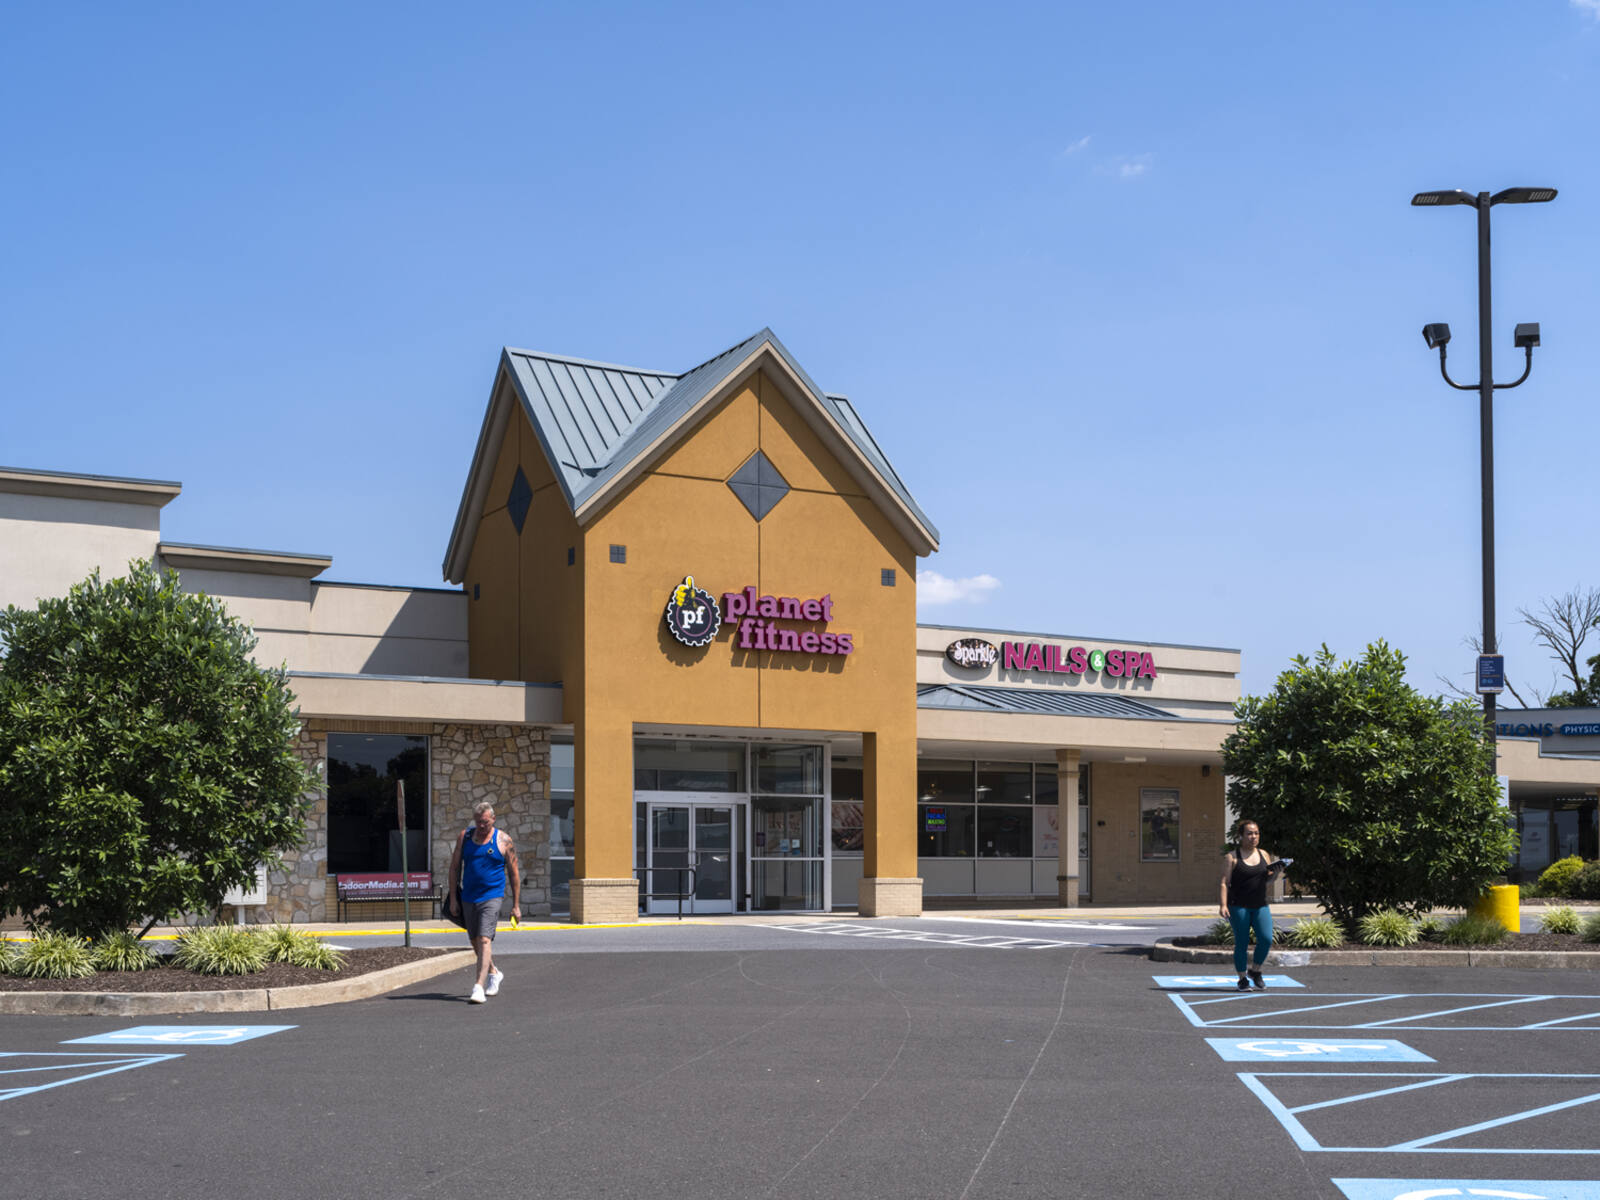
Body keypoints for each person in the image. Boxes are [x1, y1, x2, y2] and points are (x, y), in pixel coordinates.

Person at [447, 800, 521, 1004]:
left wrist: (516, 906)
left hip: (492, 896)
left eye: (485, 822)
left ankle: (478, 986)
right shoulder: (465, 837)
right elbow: (454, 868)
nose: (481, 826)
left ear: (493, 819)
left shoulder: (504, 841)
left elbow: (514, 874)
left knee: (484, 939)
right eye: (478, 821)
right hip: (468, 896)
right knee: (474, 940)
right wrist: (453, 898)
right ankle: (494, 973)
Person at [1219, 820, 1281, 991]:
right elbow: (1224, 882)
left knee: (1266, 939)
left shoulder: (1264, 854)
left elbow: (1267, 880)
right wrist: (1223, 905)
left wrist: (1276, 873)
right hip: (1238, 906)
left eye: (1256, 833)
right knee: (1242, 942)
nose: (1254, 836)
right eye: (1249, 833)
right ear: (1241, 836)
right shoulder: (1232, 857)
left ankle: (1255, 971)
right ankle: (1242, 979)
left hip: (1260, 905)